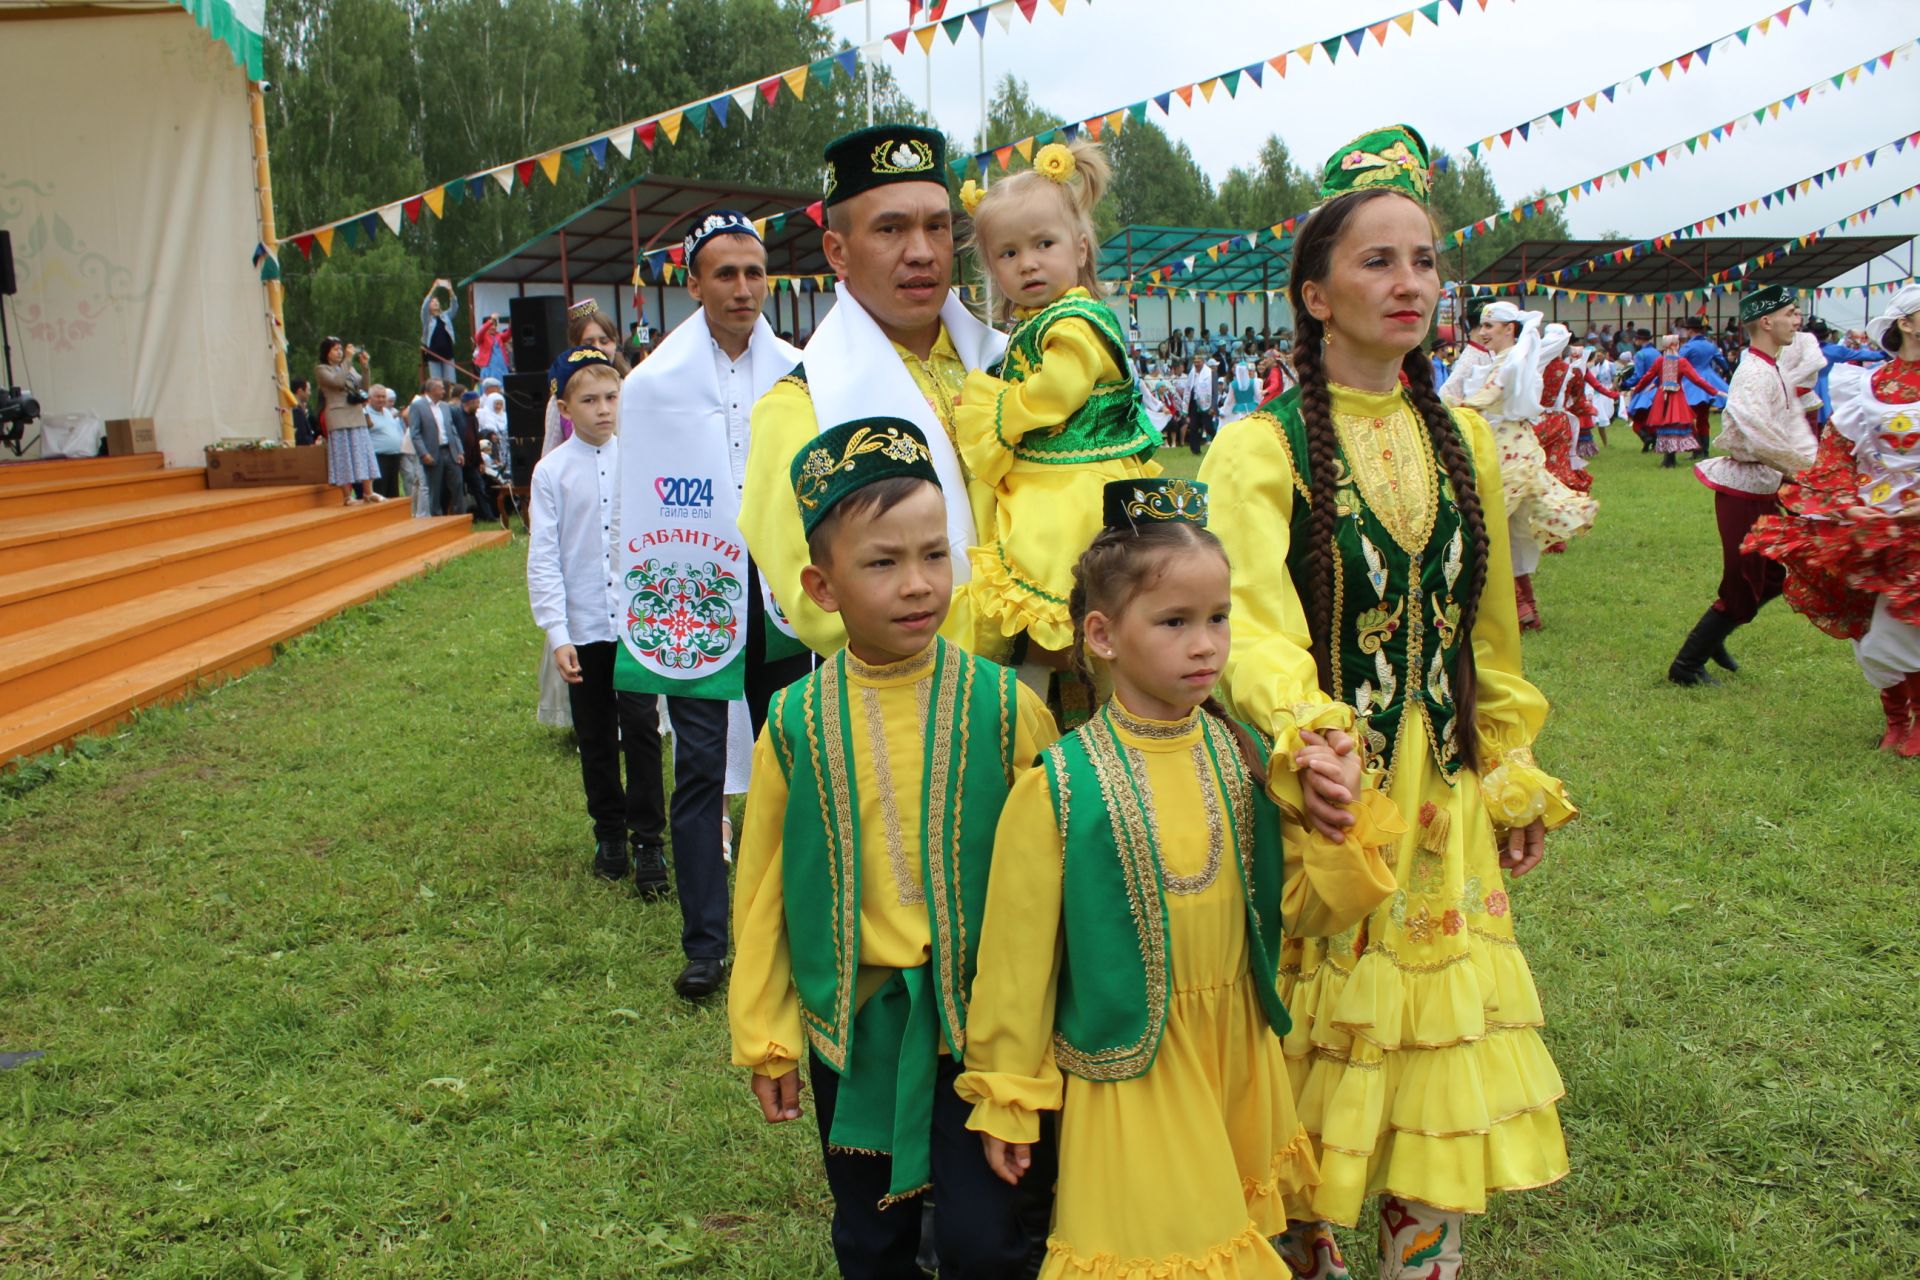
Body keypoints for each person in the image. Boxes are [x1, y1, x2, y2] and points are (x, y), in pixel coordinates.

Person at [1200, 125, 1575, 1279]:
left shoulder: (1463, 436)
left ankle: (1425, 1266)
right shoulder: (1258, 445)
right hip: (1320, 798)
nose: (1409, 282)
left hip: (1440, 800)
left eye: (1423, 260)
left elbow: (1485, 640)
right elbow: (1248, 625)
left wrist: (1506, 765)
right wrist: (1309, 739)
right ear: (1315, 294)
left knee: (1436, 1053)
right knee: (1311, 1054)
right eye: (1377, 261)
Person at [958, 478, 1398, 1280]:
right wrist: (1008, 1096)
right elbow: (1015, 967)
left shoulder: (1244, 758)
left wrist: (1335, 828)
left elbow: (1300, 911)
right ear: (1101, 634)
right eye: (1174, 622)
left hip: (1235, 1057)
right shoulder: (1059, 786)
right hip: (1132, 1069)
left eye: (1219, 619)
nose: (1206, 646)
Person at [728, 418, 1059, 1279]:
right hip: (860, 1029)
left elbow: (1056, 875)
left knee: (993, 1236)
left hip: (987, 1032)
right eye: (882, 563)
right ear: (822, 585)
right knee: (870, 1240)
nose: (918, 586)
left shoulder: (1006, 710)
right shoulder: (796, 724)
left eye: (935, 555)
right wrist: (767, 1035)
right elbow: (763, 888)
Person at [614, 210, 810, 1000]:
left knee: (799, 762)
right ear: (692, 282)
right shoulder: (652, 385)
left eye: (754, 272)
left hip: (786, 600)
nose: (742, 288)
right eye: (725, 273)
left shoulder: (802, 373)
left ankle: (804, 923)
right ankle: (706, 943)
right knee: (698, 769)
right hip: (695, 600)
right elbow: (640, 503)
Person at [742, 124, 1011, 659]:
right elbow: (816, 603)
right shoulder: (801, 407)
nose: (922, 252)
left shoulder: (1012, 365)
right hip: (910, 704)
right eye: (890, 230)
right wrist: (1012, 635)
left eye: (937, 227)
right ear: (837, 252)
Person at [952, 139, 1161, 672]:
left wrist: (1001, 411)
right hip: (1063, 471)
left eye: (1044, 244)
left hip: (1076, 480)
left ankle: (1044, 699)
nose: (1029, 264)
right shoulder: (1041, 320)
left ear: (1081, 248)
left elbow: (1058, 391)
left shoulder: (1073, 320)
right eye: (1009, 253)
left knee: (1049, 571)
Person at [1743, 284, 1920, 751]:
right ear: (1906, 324)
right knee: (1866, 625)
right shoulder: (1868, 386)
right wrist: (1847, 503)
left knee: (1903, 625)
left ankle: (1916, 717)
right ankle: (1897, 716)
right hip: (1873, 524)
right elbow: (1837, 455)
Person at [525, 346, 670, 885]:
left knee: (642, 728)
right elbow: (544, 555)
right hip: (585, 627)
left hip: (637, 626)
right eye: (589, 400)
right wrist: (558, 632)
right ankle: (608, 832)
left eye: (611, 397)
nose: (603, 409)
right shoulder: (552, 473)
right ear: (565, 407)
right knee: (595, 735)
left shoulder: (641, 460)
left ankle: (649, 840)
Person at [1667, 284, 1826, 685]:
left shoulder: (1771, 366)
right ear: (1767, 321)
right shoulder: (1754, 372)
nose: (1798, 319)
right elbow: (1758, 436)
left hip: (1763, 485)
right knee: (1743, 580)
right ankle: (1686, 666)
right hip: (1744, 490)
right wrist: (1805, 472)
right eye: (1791, 312)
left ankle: (1718, 633)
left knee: (1772, 577)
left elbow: (1790, 416)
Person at [1446, 302, 1597, 630]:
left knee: (1485, 529)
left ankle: (1518, 607)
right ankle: (1526, 610)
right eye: (1483, 327)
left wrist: (1452, 409)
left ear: (1509, 329)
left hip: (1504, 453)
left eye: (1490, 327)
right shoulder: (1509, 357)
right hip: (1510, 448)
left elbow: (1487, 396)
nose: (1483, 333)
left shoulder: (1512, 359)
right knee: (1510, 533)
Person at [542, 300, 631, 458]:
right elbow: (550, 451)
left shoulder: (631, 389)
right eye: (588, 343)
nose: (597, 348)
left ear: (615, 344)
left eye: (604, 341)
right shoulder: (562, 396)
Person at [1629, 334, 1720, 467]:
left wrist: (1636, 389)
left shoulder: (1660, 361)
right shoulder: (1681, 362)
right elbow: (1696, 379)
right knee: (1674, 424)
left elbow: (1647, 377)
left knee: (1665, 425)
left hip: (1662, 395)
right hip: (1676, 396)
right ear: (1676, 345)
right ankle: (1672, 457)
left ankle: (1668, 458)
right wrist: (1714, 391)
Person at [313, 337, 384, 505]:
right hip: (338, 417)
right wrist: (347, 360)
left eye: (340, 349)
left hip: (356, 414)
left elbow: (364, 387)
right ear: (326, 353)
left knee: (363, 452)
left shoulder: (348, 367)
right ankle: (346, 496)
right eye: (335, 349)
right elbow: (337, 381)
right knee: (342, 455)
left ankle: (368, 491)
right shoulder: (321, 369)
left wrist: (365, 367)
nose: (339, 352)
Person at [407, 376, 465, 517]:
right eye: (441, 388)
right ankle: (437, 518)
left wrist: (460, 451)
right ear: (432, 390)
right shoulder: (417, 406)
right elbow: (415, 433)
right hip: (432, 453)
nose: (444, 392)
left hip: (450, 451)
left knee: (457, 485)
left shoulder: (445, 406)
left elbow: (452, 430)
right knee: (435, 489)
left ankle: (460, 517)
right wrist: (423, 453)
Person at [1678, 317, 1731, 453]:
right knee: (1703, 417)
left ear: (1690, 331)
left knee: (1688, 417)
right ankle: (1704, 450)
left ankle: (1696, 447)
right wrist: (1726, 374)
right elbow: (1723, 363)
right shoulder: (1710, 345)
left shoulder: (1687, 347)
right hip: (1709, 379)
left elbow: (1677, 363)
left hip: (1691, 382)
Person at [456, 390, 498, 521]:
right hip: (460, 460)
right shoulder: (458, 417)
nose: (479, 405)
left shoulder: (473, 418)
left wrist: (480, 461)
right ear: (470, 403)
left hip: (471, 462)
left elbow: (475, 440)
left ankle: (488, 515)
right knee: (458, 490)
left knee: (480, 487)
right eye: (477, 402)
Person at [364, 384, 407, 499]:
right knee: (381, 489)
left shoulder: (387, 412)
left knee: (393, 490)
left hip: (394, 456)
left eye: (383, 397)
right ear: (370, 398)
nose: (381, 399)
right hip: (379, 457)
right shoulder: (365, 413)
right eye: (378, 397)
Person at [1626, 328, 1660, 450]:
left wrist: (1626, 383)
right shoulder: (1657, 352)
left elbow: (1639, 375)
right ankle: (1654, 441)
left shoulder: (1640, 354)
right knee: (1652, 417)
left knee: (1637, 419)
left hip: (1645, 389)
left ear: (1639, 340)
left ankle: (1646, 438)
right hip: (1658, 388)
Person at [421, 279, 459, 383]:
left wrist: (450, 290)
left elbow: (455, 307)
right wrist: (434, 287)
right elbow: (424, 306)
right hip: (434, 355)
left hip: (448, 354)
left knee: (451, 383)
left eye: (437, 301)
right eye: (433, 302)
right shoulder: (427, 319)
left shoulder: (446, 316)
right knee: (437, 383)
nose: (435, 303)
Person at [1184, 353, 1216, 457]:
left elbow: (1215, 392)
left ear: (1203, 362)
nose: (1197, 364)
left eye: (1199, 362)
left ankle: (1218, 443)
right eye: (1195, 362)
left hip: (1207, 403)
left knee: (1208, 427)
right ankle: (1195, 450)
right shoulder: (1192, 373)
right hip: (1194, 403)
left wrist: (1213, 407)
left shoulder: (1211, 373)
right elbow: (1188, 388)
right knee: (1194, 427)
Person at [289, 377, 316, 446]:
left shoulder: (296, 410)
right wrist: (314, 443)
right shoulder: (297, 411)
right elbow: (302, 438)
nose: (310, 393)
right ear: (300, 391)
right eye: (308, 390)